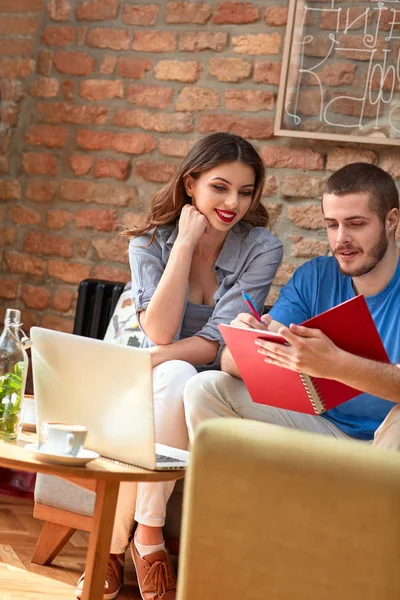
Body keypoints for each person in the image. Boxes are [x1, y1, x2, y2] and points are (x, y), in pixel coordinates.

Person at [75, 132, 283, 600]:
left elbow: (218, 341)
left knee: (177, 376)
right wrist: (186, 244)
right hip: (130, 371)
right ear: (191, 184)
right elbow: (161, 330)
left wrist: (152, 360)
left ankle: (113, 544)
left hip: (164, 373)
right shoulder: (151, 242)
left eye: (246, 192)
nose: (233, 203)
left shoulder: (261, 247)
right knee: (174, 373)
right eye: (220, 187)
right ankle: (148, 541)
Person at [183, 162, 400, 465]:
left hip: (387, 445)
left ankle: (370, 507)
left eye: (356, 224)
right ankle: (234, 508)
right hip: (323, 431)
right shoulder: (314, 277)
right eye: (332, 225)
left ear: (391, 221)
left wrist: (335, 365)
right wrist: (252, 342)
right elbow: (229, 362)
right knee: (205, 387)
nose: (341, 239)